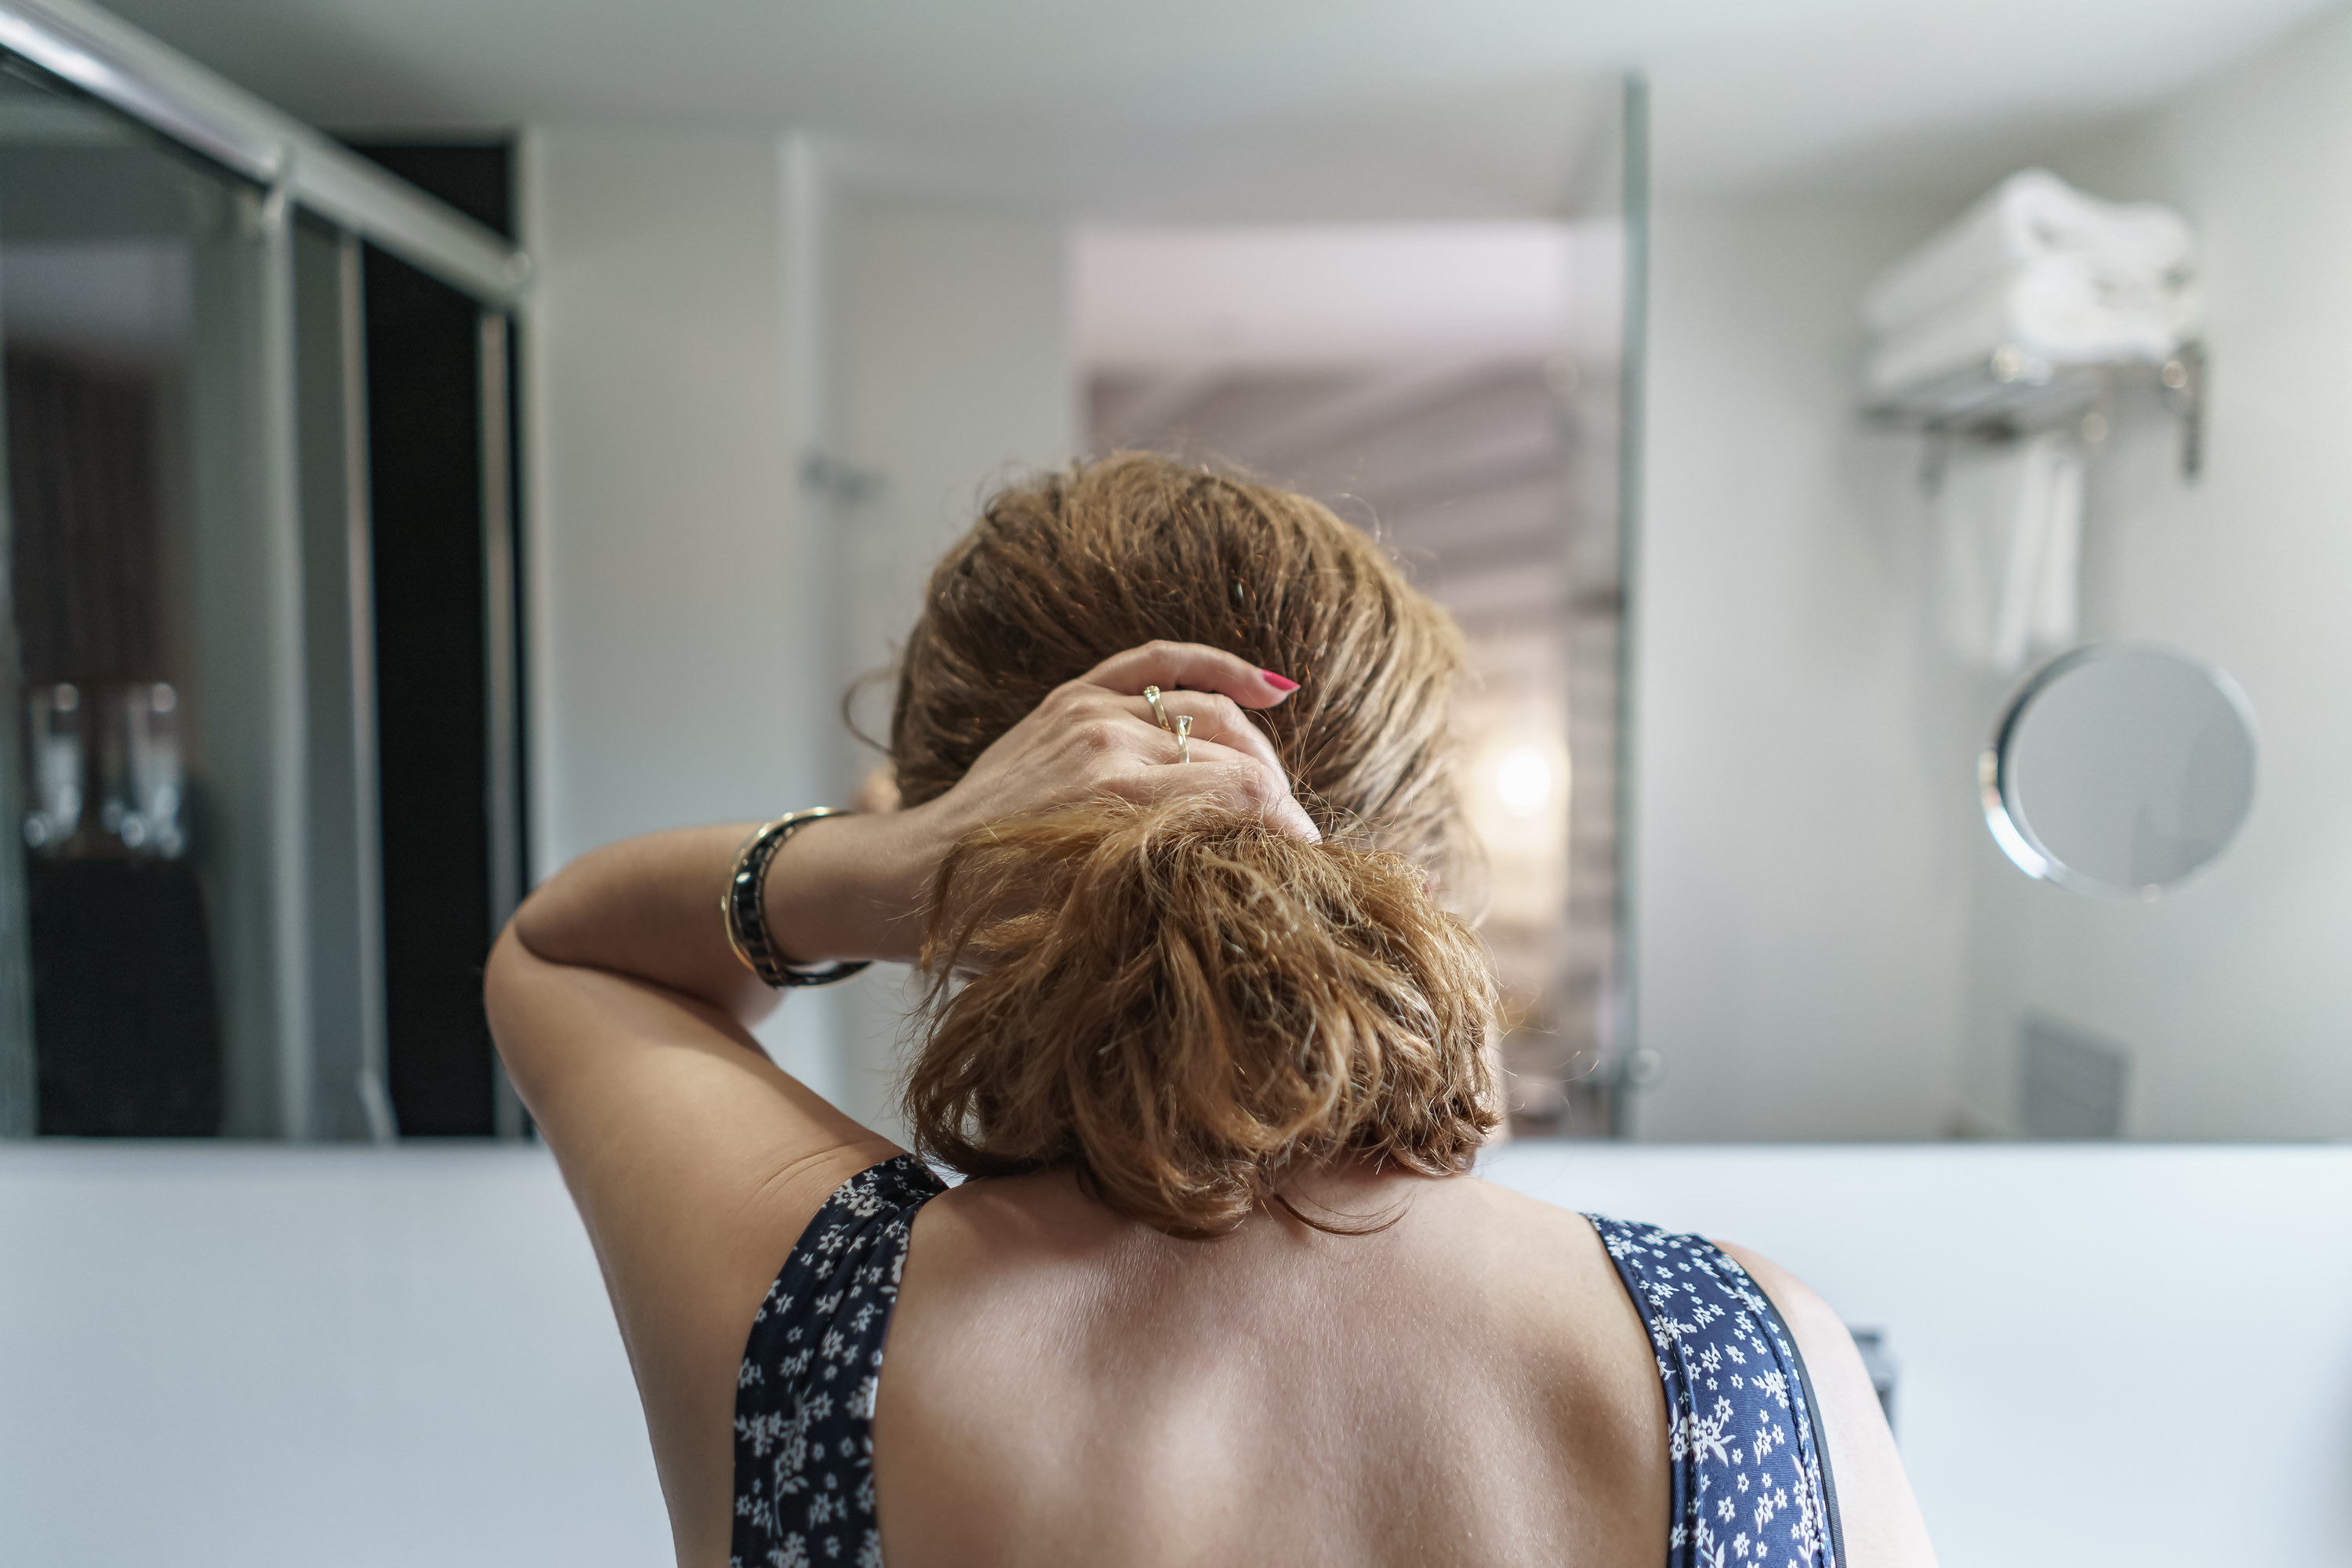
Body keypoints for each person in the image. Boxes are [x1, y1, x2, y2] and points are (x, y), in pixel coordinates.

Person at [486, 454, 1937, 1568]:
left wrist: (889, 866)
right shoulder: (1749, 1363)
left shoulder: (818, 1338)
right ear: (1422, 865)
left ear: (973, 872)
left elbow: (565, 955)